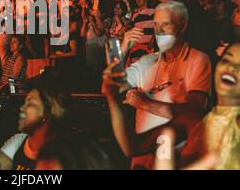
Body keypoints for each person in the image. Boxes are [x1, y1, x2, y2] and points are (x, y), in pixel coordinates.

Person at [102, 41, 240, 170]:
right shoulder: (193, 119)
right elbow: (132, 146)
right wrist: (112, 98)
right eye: (226, 60)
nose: (230, 67)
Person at [112, 1, 212, 169]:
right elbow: (111, 87)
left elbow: (194, 112)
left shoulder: (198, 59)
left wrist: (145, 104)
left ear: (182, 25)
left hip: (175, 159)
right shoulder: (146, 61)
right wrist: (122, 49)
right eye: (156, 25)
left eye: (165, 25)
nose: (158, 31)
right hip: (142, 160)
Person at [0, 83, 69, 170]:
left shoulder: (63, 152)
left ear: (47, 113)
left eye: (30, 104)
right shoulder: (19, 141)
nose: (21, 108)